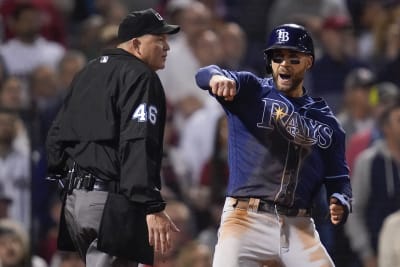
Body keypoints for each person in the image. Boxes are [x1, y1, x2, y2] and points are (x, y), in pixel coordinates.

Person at [195, 23, 352, 266]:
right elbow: (204, 73)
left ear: (309, 61)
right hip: (246, 218)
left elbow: (338, 177)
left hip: (299, 227)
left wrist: (340, 199)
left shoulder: (327, 121)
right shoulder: (251, 90)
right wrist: (216, 77)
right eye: (277, 57)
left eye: (293, 57)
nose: (284, 64)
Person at [45, 8, 180, 267]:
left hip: (76, 205)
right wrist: (151, 204)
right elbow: (139, 141)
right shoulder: (141, 76)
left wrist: (66, 187)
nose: (167, 47)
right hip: (110, 204)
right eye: (159, 39)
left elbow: (56, 137)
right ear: (137, 43)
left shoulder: (86, 72)